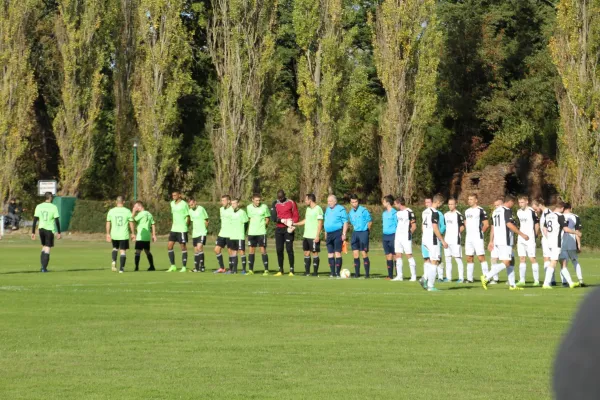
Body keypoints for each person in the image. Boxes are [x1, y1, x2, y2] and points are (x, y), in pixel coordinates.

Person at [481, 195, 528, 290]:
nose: (513, 205)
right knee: (506, 262)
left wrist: (491, 241)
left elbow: (493, 227)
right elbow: (509, 224)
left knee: (510, 262)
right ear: (510, 201)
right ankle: (487, 276)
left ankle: (512, 285)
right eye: (513, 203)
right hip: (505, 241)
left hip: (498, 241)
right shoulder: (506, 210)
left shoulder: (495, 211)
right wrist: (521, 234)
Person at [541, 201, 581, 289]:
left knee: (563, 262)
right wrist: (576, 232)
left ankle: (570, 283)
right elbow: (566, 229)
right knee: (553, 262)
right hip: (557, 243)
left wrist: (549, 236)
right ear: (562, 208)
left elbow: (544, 228)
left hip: (551, 242)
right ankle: (546, 283)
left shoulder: (548, 216)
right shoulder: (559, 216)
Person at [292, 194, 324, 277]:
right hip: (306, 235)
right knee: (306, 253)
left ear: (310, 200)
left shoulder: (318, 209)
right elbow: (306, 220)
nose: (305, 201)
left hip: (314, 236)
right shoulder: (308, 209)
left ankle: (315, 272)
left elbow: (320, 223)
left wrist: (317, 236)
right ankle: (307, 272)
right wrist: (295, 224)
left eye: (306, 200)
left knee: (315, 253)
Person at [421, 194, 447, 292]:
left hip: (425, 239)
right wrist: (442, 240)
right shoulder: (435, 212)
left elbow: (423, 226)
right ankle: (430, 285)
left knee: (431, 261)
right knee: (434, 262)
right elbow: (435, 227)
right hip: (433, 239)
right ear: (438, 202)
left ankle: (424, 278)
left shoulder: (425, 211)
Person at [270, 190, 299, 276]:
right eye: (279, 198)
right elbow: (273, 217)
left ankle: (291, 269)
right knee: (279, 250)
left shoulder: (291, 202)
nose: (280, 199)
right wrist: (282, 220)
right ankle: (280, 269)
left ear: (285, 195)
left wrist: (292, 224)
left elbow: (296, 215)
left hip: (288, 229)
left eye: (282, 197)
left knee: (289, 249)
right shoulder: (275, 203)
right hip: (279, 229)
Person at [31, 192, 61, 272]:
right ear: (50, 197)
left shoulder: (39, 206)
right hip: (49, 229)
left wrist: (33, 232)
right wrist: (59, 232)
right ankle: (44, 268)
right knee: (47, 248)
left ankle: (42, 266)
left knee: (44, 247)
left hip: (41, 229)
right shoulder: (53, 207)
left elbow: (35, 220)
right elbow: (57, 220)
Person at [464, 194, 490, 283]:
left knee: (481, 257)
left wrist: (481, 233)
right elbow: (465, 223)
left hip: (477, 237)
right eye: (468, 199)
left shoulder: (480, 210)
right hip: (468, 238)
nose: (469, 200)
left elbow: (486, 224)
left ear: (476, 200)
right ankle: (469, 278)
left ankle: (487, 277)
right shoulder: (467, 211)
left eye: (471, 199)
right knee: (469, 257)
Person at [106, 196, 134, 273]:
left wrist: (108, 234)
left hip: (114, 234)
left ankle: (114, 261)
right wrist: (133, 233)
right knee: (123, 251)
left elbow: (108, 223)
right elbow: (131, 222)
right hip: (123, 235)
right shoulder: (127, 211)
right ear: (123, 202)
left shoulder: (111, 211)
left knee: (115, 248)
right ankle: (121, 269)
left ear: (116, 202)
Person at [516, 195, 540, 286]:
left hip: (530, 238)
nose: (520, 204)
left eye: (522, 202)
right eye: (519, 202)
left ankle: (536, 280)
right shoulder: (518, 212)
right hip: (521, 238)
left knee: (532, 258)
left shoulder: (531, 211)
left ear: (527, 202)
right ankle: (522, 280)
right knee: (522, 258)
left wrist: (535, 235)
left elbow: (537, 224)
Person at [323, 195, 348, 278]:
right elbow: (326, 221)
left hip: (337, 233)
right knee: (330, 253)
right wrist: (325, 232)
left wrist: (344, 234)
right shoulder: (327, 209)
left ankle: (337, 272)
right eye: (328, 201)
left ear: (335, 201)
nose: (329, 203)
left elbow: (345, 222)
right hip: (329, 234)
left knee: (337, 252)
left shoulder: (341, 209)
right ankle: (332, 272)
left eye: (330, 201)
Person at [393, 197, 417, 281]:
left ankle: (413, 276)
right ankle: (400, 276)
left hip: (406, 237)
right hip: (398, 236)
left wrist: (409, 234)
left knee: (408, 255)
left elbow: (414, 226)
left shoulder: (409, 212)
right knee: (398, 255)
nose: (394, 205)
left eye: (395, 203)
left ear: (399, 203)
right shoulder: (398, 213)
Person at [348, 194, 372, 278]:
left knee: (364, 253)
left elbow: (369, 221)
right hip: (355, 233)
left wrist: (367, 231)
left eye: (356, 202)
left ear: (358, 201)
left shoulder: (363, 210)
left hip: (363, 233)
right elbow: (352, 222)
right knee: (355, 253)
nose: (354, 203)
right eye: (352, 202)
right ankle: (357, 274)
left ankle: (367, 274)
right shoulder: (350, 212)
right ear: (350, 202)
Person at [561, 203, 585, 287]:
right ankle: (581, 280)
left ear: (563, 208)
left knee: (563, 263)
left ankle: (564, 281)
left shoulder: (559, 216)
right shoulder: (575, 216)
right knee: (575, 261)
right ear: (570, 208)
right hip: (571, 242)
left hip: (561, 242)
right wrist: (579, 244)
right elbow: (577, 232)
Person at [246, 194, 270, 275]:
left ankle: (266, 270)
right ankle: (250, 270)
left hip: (261, 232)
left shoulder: (264, 207)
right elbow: (249, 218)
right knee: (251, 250)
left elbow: (267, 218)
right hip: (252, 233)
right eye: (256, 200)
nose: (258, 202)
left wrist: (264, 226)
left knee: (263, 250)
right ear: (252, 200)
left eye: (259, 200)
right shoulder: (248, 207)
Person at [166, 191, 190, 272]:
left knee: (183, 247)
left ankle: (183, 266)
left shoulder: (184, 204)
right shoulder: (172, 203)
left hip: (182, 229)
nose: (173, 196)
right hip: (174, 229)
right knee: (169, 246)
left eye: (175, 195)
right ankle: (173, 266)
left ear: (179, 195)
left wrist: (186, 226)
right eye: (172, 195)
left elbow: (188, 215)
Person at [130, 201, 157, 271]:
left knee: (137, 252)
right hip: (147, 236)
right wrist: (153, 235)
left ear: (139, 206)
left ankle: (136, 267)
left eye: (136, 206)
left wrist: (133, 211)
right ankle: (152, 266)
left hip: (140, 236)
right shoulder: (149, 213)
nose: (135, 208)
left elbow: (131, 219)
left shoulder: (141, 214)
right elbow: (153, 224)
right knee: (147, 251)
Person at [533, 198, 554, 285]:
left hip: (548, 239)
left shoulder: (547, 213)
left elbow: (548, 228)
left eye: (535, 209)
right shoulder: (544, 213)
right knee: (547, 258)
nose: (535, 211)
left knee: (548, 258)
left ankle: (549, 280)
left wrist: (548, 238)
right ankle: (551, 280)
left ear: (540, 205)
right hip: (545, 239)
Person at [444, 198, 465, 283]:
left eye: (452, 204)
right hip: (447, 239)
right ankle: (448, 278)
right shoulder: (446, 215)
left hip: (455, 240)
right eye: (449, 204)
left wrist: (456, 233)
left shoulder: (458, 214)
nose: (450, 206)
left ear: (456, 204)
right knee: (448, 259)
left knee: (457, 258)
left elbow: (462, 226)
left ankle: (461, 278)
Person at [228, 198, 249, 274]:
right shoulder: (231, 213)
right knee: (234, 252)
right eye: (232, 203)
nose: (233, 205)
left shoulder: (242, 212)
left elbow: (246, 223)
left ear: (238, 204)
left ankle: (243, 269)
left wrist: (243, 232)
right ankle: (234, 270)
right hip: (232, 236)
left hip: (240, 235)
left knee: (242, 252)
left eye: (234, 203)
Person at [188, 198, 209, 272]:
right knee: (196, 250)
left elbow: (206, 220)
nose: (191, 206)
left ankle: (202, 266)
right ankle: (196, 268)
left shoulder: (201, 209)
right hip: (195, 233)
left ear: (195, 202)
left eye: (192, 204)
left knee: (200, 247)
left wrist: (204, 230)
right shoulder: (190, 211)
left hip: (202, 232)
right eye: (190, 205)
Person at [214, 195, 233, 273]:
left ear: (229, 201)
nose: (222, 202)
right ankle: (222, 268)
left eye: (224, 200)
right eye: (222, 200)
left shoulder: (232, 209)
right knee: (216, 250)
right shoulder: (221, 209)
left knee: (230, 252)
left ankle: (231, 269)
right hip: (222, 233)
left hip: (230, 234)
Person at [381, 195, 397, 280]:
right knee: (388, 255)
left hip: (393, 235)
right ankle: (390, 276)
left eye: (383, 201)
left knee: (395, 255)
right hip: (385, 236)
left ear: (387, 203)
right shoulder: (384, 213)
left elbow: (397, 224)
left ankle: (398, 275)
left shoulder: (395, 213)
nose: (382, 203)